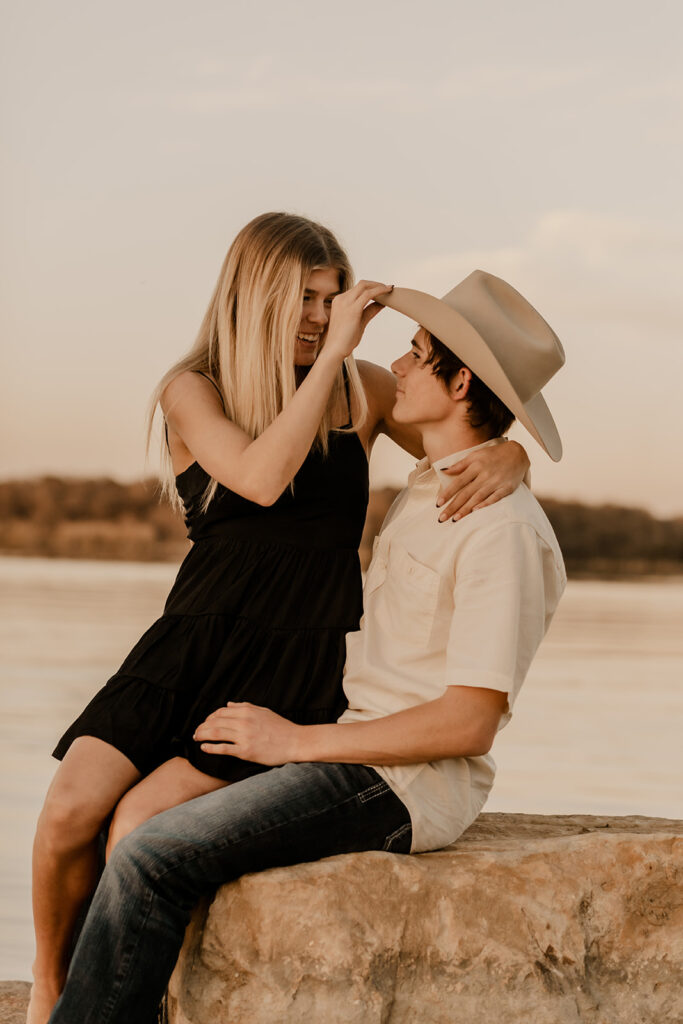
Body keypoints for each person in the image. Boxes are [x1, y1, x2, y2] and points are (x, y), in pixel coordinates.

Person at [29, 217, 528, 1024]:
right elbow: (260, 479)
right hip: (189, 638)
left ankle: (133, 998)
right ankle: (50, 991)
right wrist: (330, 358)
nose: (320, 314)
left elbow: (460, 434)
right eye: (303, 297)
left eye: (332, 298)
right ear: (254, 292)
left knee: (138, 823)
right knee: (68, 810)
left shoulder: (358, 386)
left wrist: (514, 456)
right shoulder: (193, 388)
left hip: (291, 661)